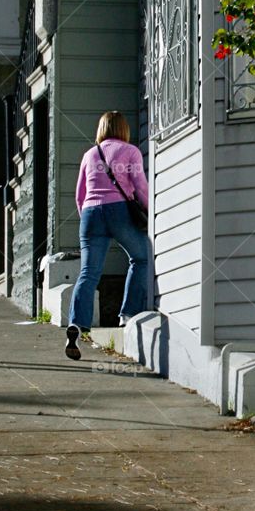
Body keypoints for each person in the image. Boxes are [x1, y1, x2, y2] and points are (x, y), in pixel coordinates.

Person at [65, 110, 148, 361]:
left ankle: (77, 325)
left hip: (90, 213)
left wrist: (88, 218)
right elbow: (140, 186)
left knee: (89, 272)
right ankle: (128, 314)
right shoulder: (130, 151)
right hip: (119, 211)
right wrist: (149, 211)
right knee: (140, 258)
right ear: (123, 129)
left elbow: (80, 194)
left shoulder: (90, 154)